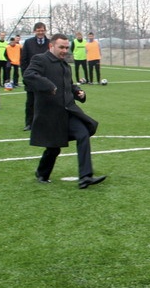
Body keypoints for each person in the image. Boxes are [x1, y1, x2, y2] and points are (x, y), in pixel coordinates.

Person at [23, 33, 106, 189]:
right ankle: (42, 172)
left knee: (83, 134)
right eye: (61, 47)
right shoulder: (40, 60)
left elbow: (69, 85)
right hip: (51, 114)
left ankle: (85, 177)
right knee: (54, 147)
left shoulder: (65, 65)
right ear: (51, 46)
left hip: (69, 111)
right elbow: (28, 75)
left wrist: (78, 92)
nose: (64, 50)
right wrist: (48, 85)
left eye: (67, 48)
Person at [21, 22, 50, 130]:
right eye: (38, 30)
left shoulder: (50, 43)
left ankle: (46, 122)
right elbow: (23, 60)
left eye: (42, 30)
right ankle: (29, 123)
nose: (40, 32)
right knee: (30, 102)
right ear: (34, 31)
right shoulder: (28, 43)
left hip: (47, 78)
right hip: (32, 78)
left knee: (47, 101)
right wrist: (25, 76)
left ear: (45, 31)